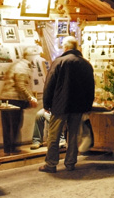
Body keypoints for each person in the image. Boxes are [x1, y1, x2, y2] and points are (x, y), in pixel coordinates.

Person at [39, 37, 94, 173]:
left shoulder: (59, 62)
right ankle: (70, 163)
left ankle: (51, 164)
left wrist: (46, 103)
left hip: (60, 105)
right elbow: (90, 87)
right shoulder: (86, 64)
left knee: (54, 135)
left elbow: (49, 84)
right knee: (74, 134)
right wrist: (88, 106)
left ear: (65, 47)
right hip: (78, 105)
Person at [0, 54, 38, 154]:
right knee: (15, 125)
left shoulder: (16, 64)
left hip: (5, 97)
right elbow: (21, 85)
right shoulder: (23, 67)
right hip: (15, 99)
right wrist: (31, 97)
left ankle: (7, 149)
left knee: (6, 126)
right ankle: (14, 149)